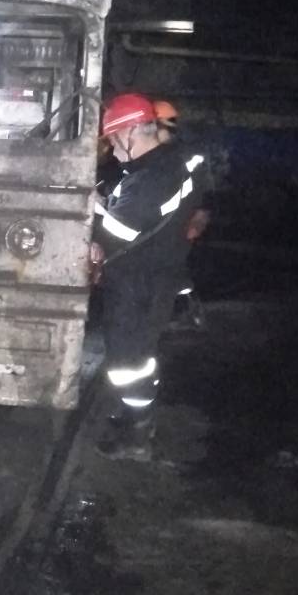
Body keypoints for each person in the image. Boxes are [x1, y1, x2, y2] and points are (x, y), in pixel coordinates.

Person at [92, 93, 199, 461]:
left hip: (140, 284)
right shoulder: (161, 167)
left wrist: (90, 208)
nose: (112, 149)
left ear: (132, 132)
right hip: (151, 278)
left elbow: (115, 233)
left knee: (128, 359)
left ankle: (136, 435)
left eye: (114, 139)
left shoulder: (153, 178)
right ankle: (133, 414)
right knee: (139, 357)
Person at [153, 99, 210, 328]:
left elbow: (200, 190)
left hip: (178, 221)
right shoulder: (166, 153)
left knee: (171, 266)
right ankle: (184, 309)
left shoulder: (179, 154)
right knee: (171, 267)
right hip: (171, 222)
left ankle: (183, 309)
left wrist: (197, 218)